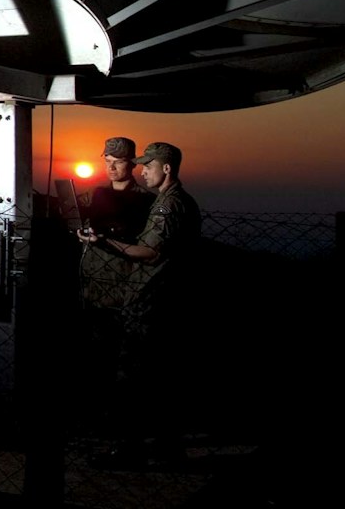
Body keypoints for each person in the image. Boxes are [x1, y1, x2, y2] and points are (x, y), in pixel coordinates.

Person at [78, 141, 200, 466]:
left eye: (148, 165)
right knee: (158, 377)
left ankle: (129, 449)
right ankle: (165, 447)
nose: (142, 170)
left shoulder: (165, 205)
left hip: (151, 297)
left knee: (133, 376)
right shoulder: (170, 201)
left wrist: (104, 241)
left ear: (167, 169)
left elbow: (150, 252)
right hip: (159, 296)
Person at [76, 137, 154, 312]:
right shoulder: (94, 194)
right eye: (107, 161)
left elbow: (149, 248)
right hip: (90, 282)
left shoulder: (146, 201)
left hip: (122, 284)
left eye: (118, 162)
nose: (111, 168)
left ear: (133, 164)